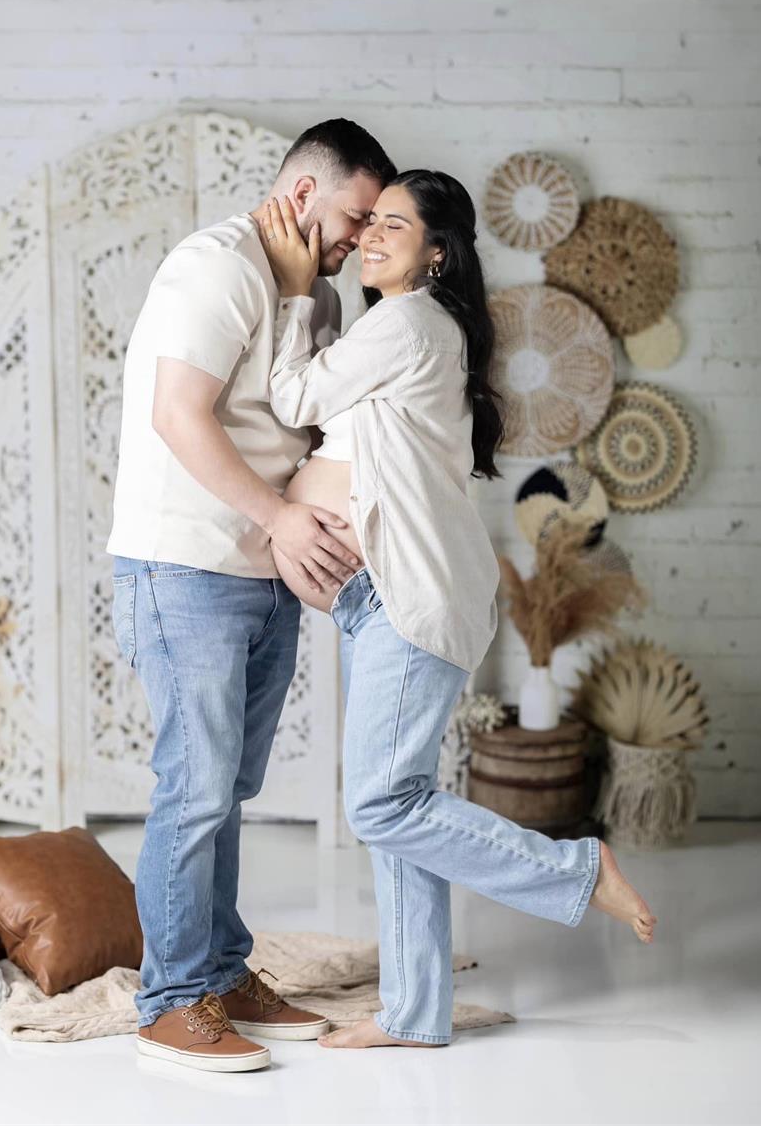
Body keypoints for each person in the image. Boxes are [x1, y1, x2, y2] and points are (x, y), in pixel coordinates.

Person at [260, 174, 658, 1052]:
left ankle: (575, 870)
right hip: (384, 600)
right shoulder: (405, 328)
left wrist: (295, 292)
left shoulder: (406, 322)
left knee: (381, 804)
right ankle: (414, 1012)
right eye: (369, 222)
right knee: (402, 805)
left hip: (410, 600)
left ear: (437, 251)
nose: (370, 235)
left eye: (393, 225)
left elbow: (292, 399)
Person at [106, 119, 398, 1073]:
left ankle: (223, 972)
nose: (362, 237)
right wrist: (280, 518)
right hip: (185, 566)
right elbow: (176, 414)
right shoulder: (217, 266)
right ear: (305, 194)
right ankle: (171, 1001)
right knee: (195, 788)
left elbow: (299, 419)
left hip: (263, 570)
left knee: (229, 788)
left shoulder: (309, 295)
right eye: (357, 215)